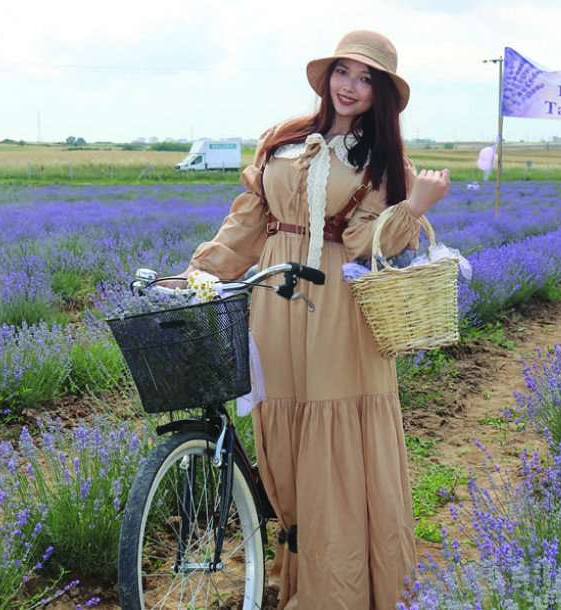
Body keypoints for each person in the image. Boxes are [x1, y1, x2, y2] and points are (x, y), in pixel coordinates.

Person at [168, 30, 449, 609]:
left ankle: (335, 590)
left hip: (336, 307)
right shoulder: (285, 138)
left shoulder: (380, 161)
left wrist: (413, 207)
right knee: (282, 424)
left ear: (382, 95)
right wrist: (201, 273)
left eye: (366, 78)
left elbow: (366, 241)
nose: (351, 86)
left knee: (332, 432)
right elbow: (248, 220)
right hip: (273, 295)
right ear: (327, 77)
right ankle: (293, 572)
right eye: (344, 71)